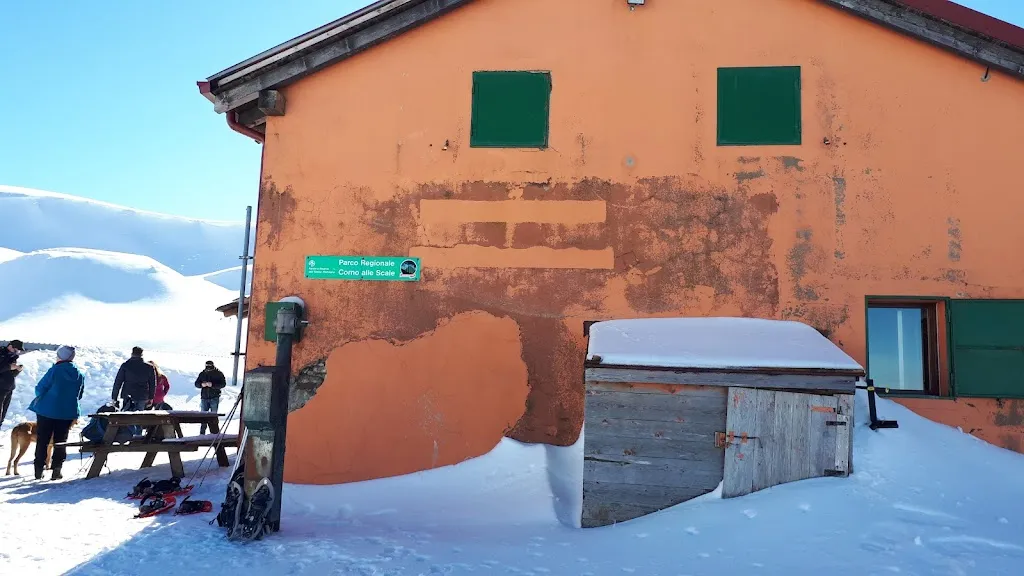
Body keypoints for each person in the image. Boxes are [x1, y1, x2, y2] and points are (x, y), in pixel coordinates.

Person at [28, 345, 85, 480]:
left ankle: (39, 470)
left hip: (47, 410)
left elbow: (40, 388)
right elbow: (79, 394)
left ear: (60, 356)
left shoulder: (54, 370)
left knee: (43, 440)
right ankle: (57, 470)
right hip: (67, 412)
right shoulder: (79, 374)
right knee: (61, 440)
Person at [111, 346, 156, 412]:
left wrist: (114, 397)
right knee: (139, 417)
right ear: (142, 355)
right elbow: (152, 384)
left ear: (132, 354)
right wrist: (151, 397)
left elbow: (118, 382)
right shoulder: (149, 367)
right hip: (142, 395)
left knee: (127, 416)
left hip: (128, 394)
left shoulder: (125, 365)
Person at [195, 360, 226, 435]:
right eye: (207, 366)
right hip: (204, 397)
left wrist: (212, 385)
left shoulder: (218, 373)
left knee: (213, 416)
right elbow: (196, 383)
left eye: (209, 366)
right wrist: (202, 385)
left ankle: (215, 433)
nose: (208, 368)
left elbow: (223, 384)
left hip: (214, 397)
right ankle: (202, 434)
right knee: (203, 417)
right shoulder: (202, 373)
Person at [0, 339, 25, 427]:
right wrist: (9, 366)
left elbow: (11, 374)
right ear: (10, 346)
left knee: (3, 411)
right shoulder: (1, 353)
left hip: (8, 387)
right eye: (16, 350)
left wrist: (17, 370)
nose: (17, 352)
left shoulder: (13, 357)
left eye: (18, 351)